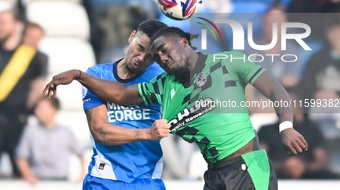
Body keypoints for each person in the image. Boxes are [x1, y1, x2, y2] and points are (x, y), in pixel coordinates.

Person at [44, 27, 309, 190]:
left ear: (184, 42)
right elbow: (120, 93)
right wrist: (80, 75)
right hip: (215, 174)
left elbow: (276, 90)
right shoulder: (163, 85)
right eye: (157, 56)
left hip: (248, 167)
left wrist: (286, 126)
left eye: (164, 50)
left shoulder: (228, 62)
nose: (162, 58)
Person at [83, 20, 169, 189]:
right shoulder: (96, 75)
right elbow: (100, 132)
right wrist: (146, 133)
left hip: (148, 180)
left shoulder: (162, 79)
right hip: (104, 180)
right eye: (140, 48)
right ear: (132, 37)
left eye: (150, 56)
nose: (141, 58)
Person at [0, 10, 48, 177]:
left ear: (17, 26)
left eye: (3, 23)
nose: (0, 27)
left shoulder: (33, 56)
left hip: (18, 123)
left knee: (21, 175)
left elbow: (38, 87)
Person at [16, 96, 85, 184]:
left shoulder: (66, 132)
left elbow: (81, 154)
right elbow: (21, 157)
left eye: (42, 109)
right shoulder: (31, 131)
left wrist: (82, 173)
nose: (37, 112)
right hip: (38, 183)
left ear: (53, 110)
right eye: (37, 108)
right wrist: (28, 175)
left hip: (62, 182)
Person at [258, 104, 334, 179]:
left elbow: (321, 161)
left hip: (308, 178)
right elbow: (259, 160)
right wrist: (284, 166)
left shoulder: (313, 130)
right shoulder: (266, 130)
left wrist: (303, 167)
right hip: (275, 176)